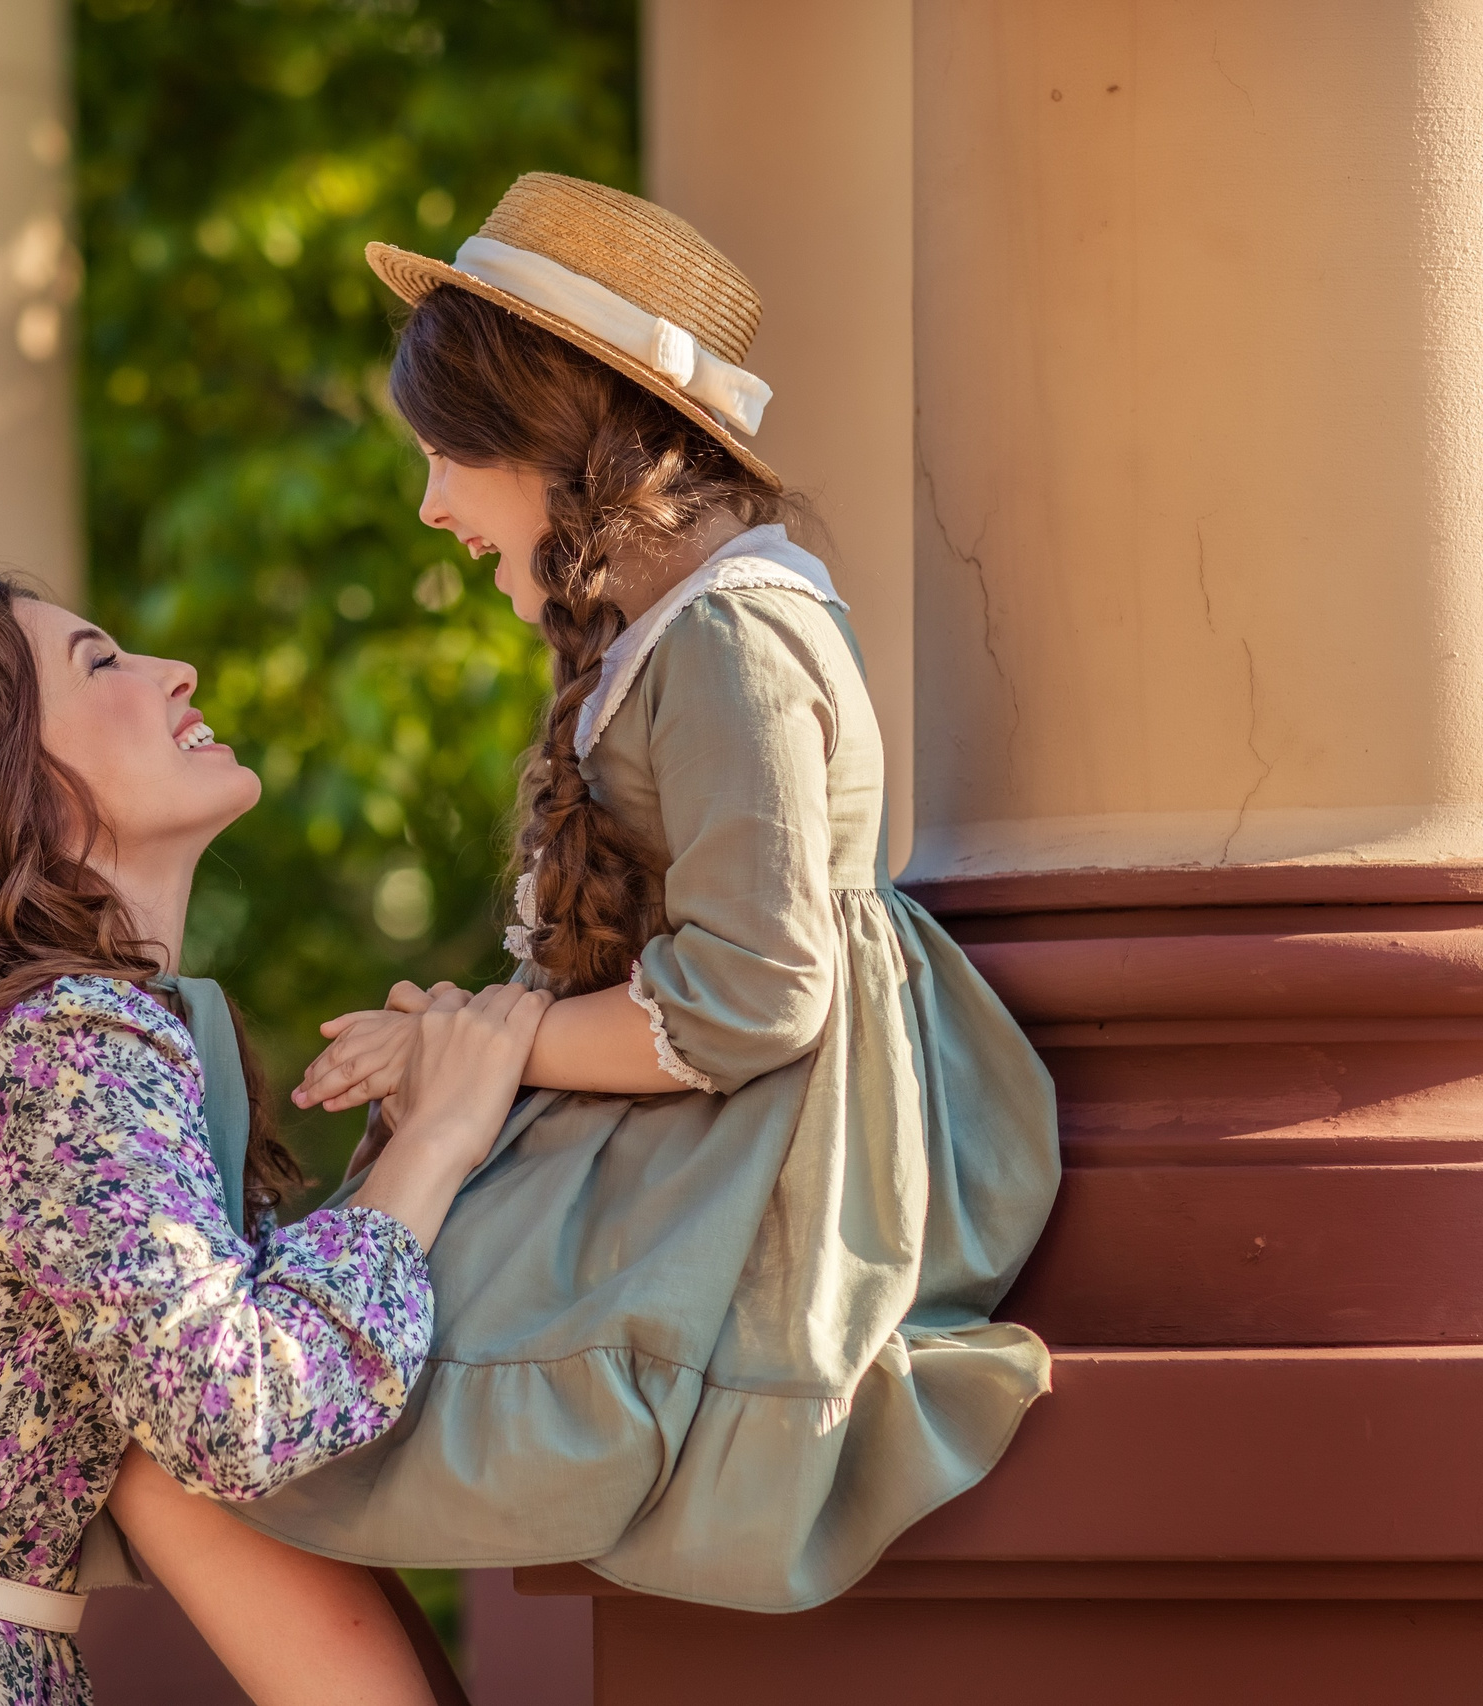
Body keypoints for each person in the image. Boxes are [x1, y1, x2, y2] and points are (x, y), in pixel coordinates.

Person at [253, 173, 1064, 1613]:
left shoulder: (733, 637)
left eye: (448, 452)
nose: (429, 500)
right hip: (698, 1121)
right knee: (294, 1381)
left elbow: (756, 995)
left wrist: (478, 1054)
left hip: (762, 1153)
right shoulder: (678, 637)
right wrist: (458, 1031)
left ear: (555, 441)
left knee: (310, 1400)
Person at [0, 576, 541, 1704]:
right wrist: (443, 1142)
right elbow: (237, 1412)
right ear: (14, 782)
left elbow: (228, 1349)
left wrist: (391, 1157)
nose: (175, 672)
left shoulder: (57, 1039)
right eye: (98, 662)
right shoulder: (67, 1036)